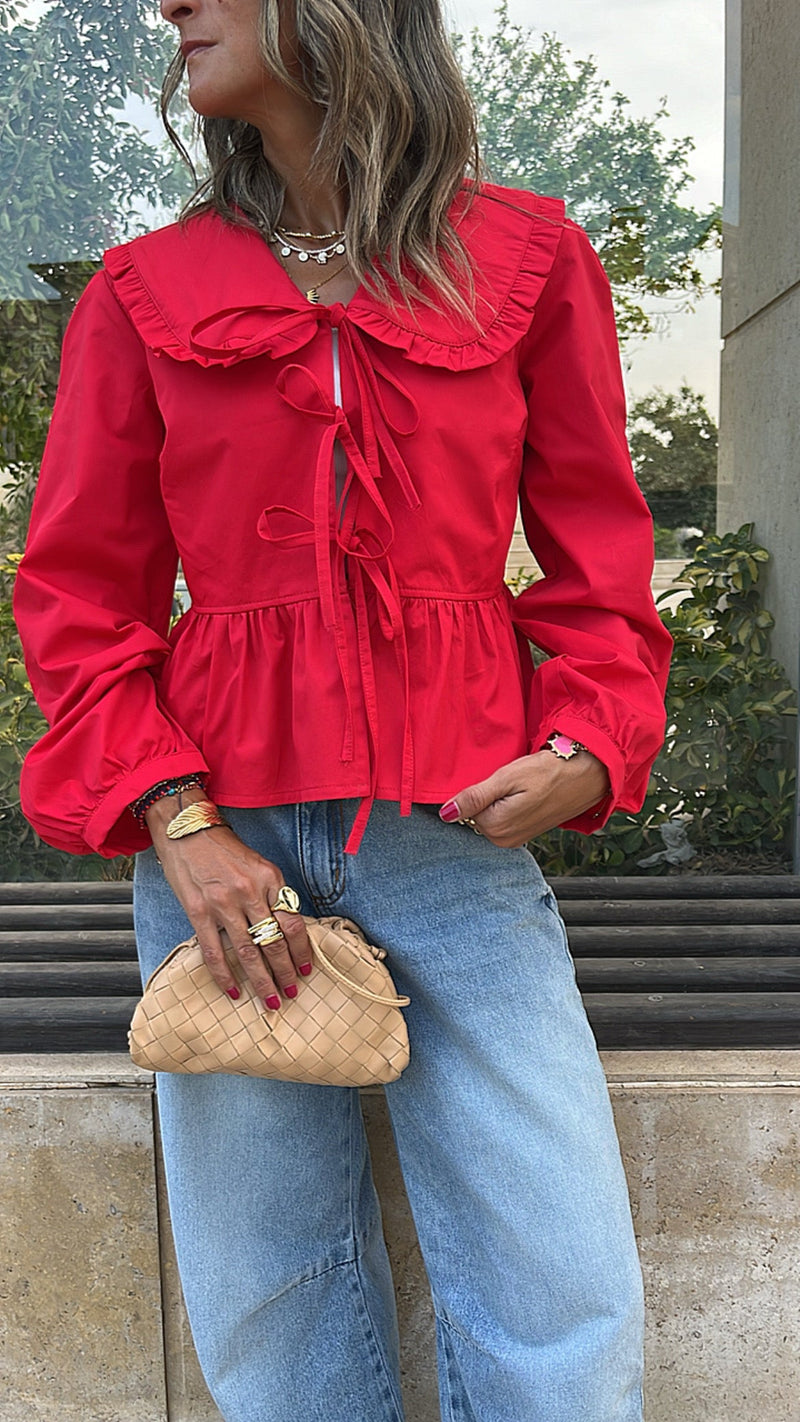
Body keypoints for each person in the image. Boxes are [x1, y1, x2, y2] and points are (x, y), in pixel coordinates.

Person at [14, 2, 672, 1419]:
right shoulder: (143, 292)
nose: (170, 6)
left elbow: (601, 564)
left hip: (453, 835)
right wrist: (179, 822)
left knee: (563, 1292)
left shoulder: (530, 260)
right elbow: (78, 596)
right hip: (216, 846)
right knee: (272, 1298)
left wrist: (586, 739)